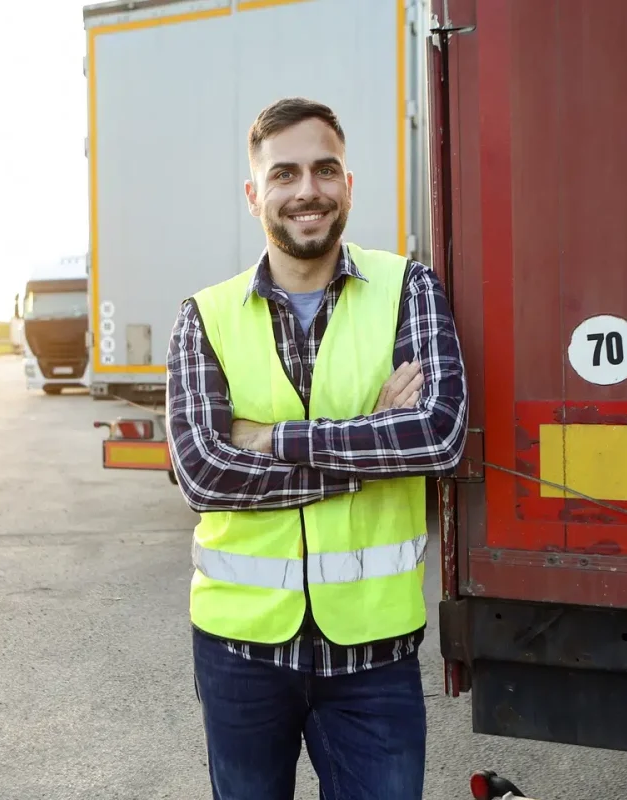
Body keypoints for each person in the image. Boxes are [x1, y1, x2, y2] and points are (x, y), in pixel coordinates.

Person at [164, 96, 469, 799]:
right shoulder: (204, 317)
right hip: (241, 653)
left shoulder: (408, 289)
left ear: (349, 185)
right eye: (285, 174)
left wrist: (273, 439)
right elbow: (205, 474)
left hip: (375, 656)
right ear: (254, 195)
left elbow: (438, 435)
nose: (308, 191)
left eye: (325, 169)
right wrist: (365, 454)